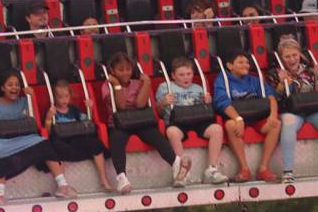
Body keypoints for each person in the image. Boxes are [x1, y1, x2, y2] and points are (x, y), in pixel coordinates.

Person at [0, 70, 77, 202]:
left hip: (24, 137)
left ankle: (62, 185)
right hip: (2, 140)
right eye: (10, 85)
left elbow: (35, 121)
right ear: (2, 88)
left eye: (17, 85)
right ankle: (0, 195)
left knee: (43, 142)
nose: (14, 88)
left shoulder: (24, 101)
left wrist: (32, 98)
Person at [102, 52, 190, 194]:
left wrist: (147, 83)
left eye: (128, 69)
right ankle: (122, 178)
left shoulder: (137, 83)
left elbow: (141, 103)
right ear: (112, 71)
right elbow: (121, 106)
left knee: (156, 136)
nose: (125, 73)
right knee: (117, 140)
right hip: (120, 123)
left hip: (139, 120)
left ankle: (176, 164)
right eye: (120, 70)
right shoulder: (108, 86)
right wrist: (117, 86)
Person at [266, 38, 318, 182]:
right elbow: (273, 98)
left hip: (313, 111)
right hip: (291, 112)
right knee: (288, 122)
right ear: (281, 57)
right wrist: (281, 84)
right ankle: (288, 171)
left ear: (299, 54)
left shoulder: (309, 70)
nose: (292, 59)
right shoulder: (274, 73)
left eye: (294, 55)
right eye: (287, 56)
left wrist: (317, 77)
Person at [155, 57, 229, 185]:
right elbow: (159, 112)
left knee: (216, 129)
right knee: (172, 132)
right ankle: (182, 171)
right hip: (177, 121)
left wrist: (208, 101)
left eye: (188, 74)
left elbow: (206, 109)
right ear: (173, 75)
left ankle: (212, 169)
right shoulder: (164, 87)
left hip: (198, 119)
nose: (186, 78)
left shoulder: (198, 88)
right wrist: (163, 103)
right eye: (181, 75)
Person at [213, 49, 281, 182]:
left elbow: (271, 97)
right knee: (230, 124)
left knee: (276, 124)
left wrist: (273, 114)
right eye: (240, 62)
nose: (245, 65)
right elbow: (222, 103)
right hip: (237, 116)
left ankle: (263, 168)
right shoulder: (223, 80)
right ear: (230, 65)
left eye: (247, 62)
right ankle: (244, 169)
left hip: (257, 115)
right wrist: (238, 119)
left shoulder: (255, 80)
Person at [45, 80, 112, 191]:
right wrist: (48, 118)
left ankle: (103, 179)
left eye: (66, 96)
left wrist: (89, 108)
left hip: (76, 138)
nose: (64, 100)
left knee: (95, 143)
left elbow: (87, 124)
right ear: (54, 98)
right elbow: (47, 132)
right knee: (53, 147)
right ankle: (63, 185)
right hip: (61, 141)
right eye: (60, 97)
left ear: (70, 96)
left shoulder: (74, 110)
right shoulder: (52, 112)